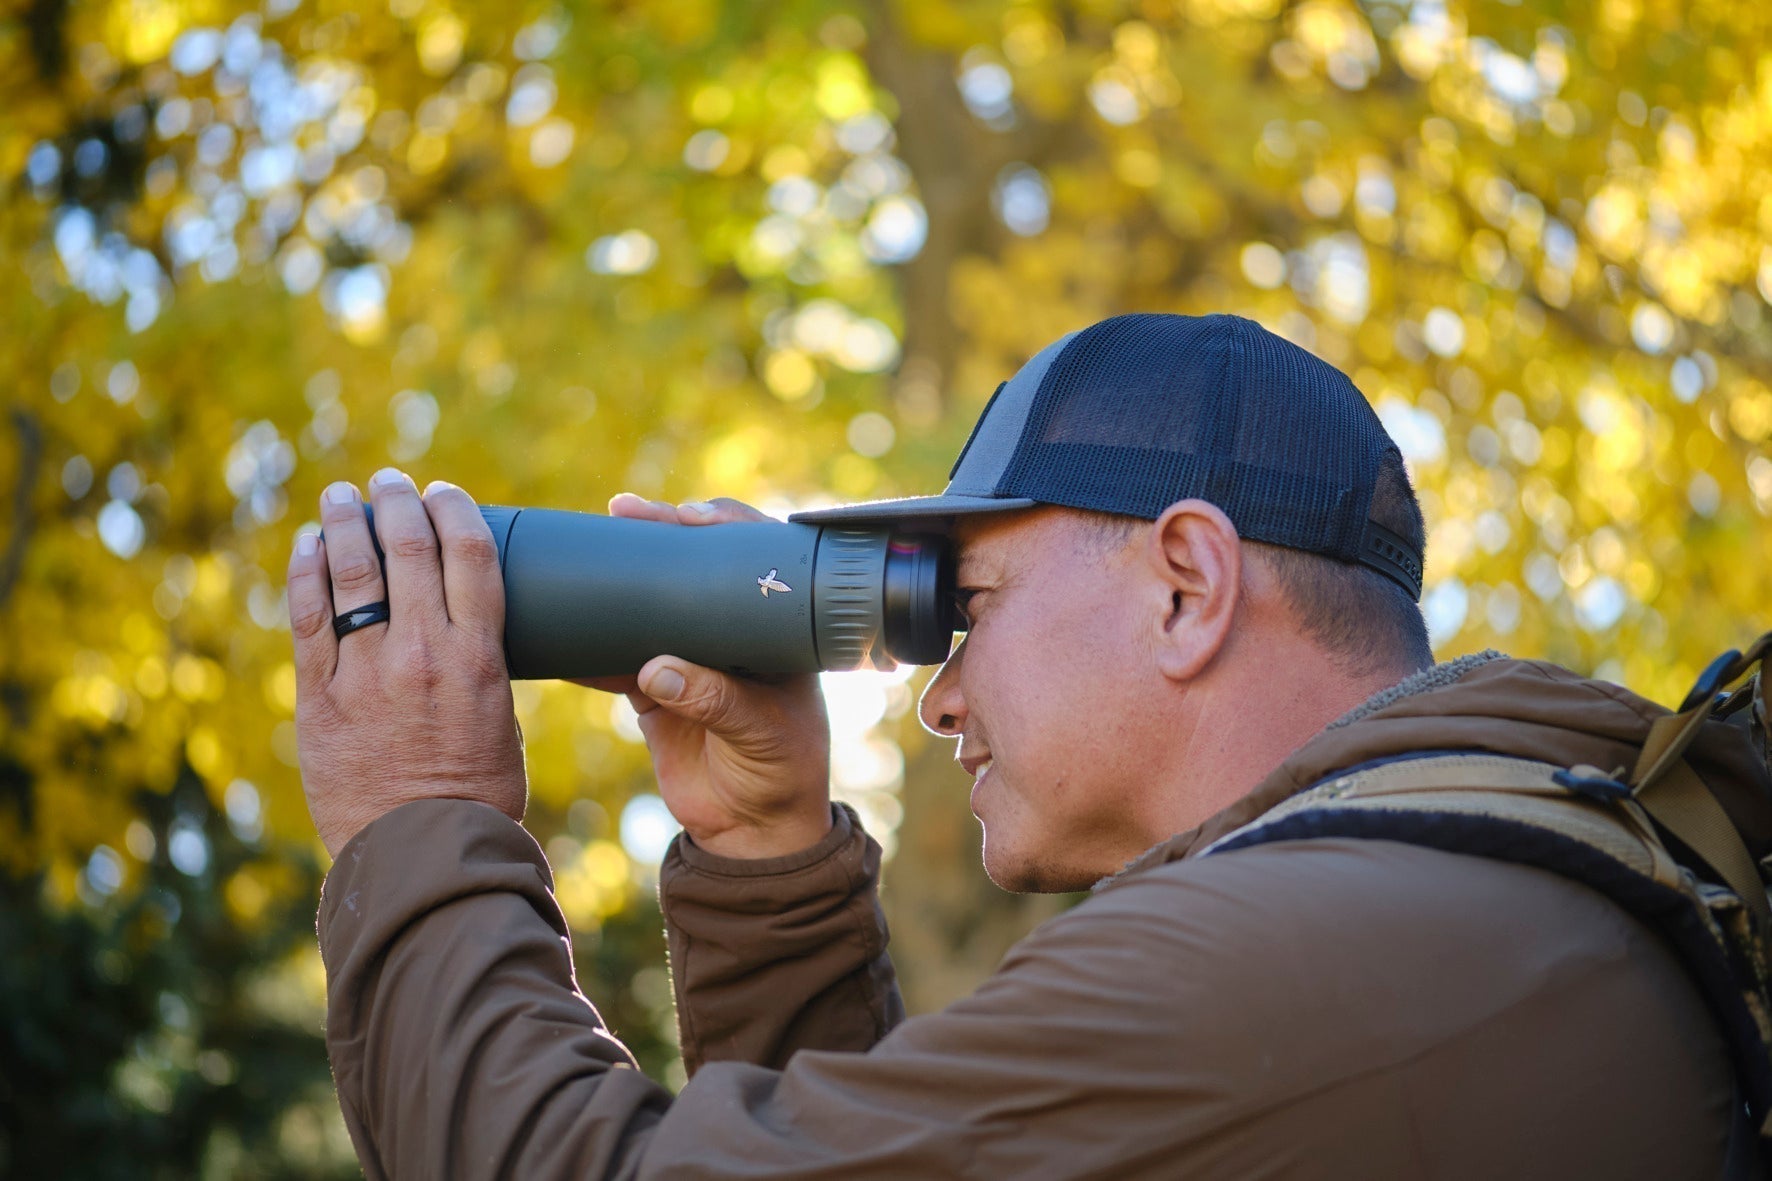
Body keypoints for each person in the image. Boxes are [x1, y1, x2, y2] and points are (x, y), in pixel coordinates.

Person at [289, 313, 1740, 1179]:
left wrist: (416, 815)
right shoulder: (1493, 899)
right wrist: (766, 860)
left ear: (1187, 583)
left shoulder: (1289, 963)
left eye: (965, 604)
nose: (937, 695)